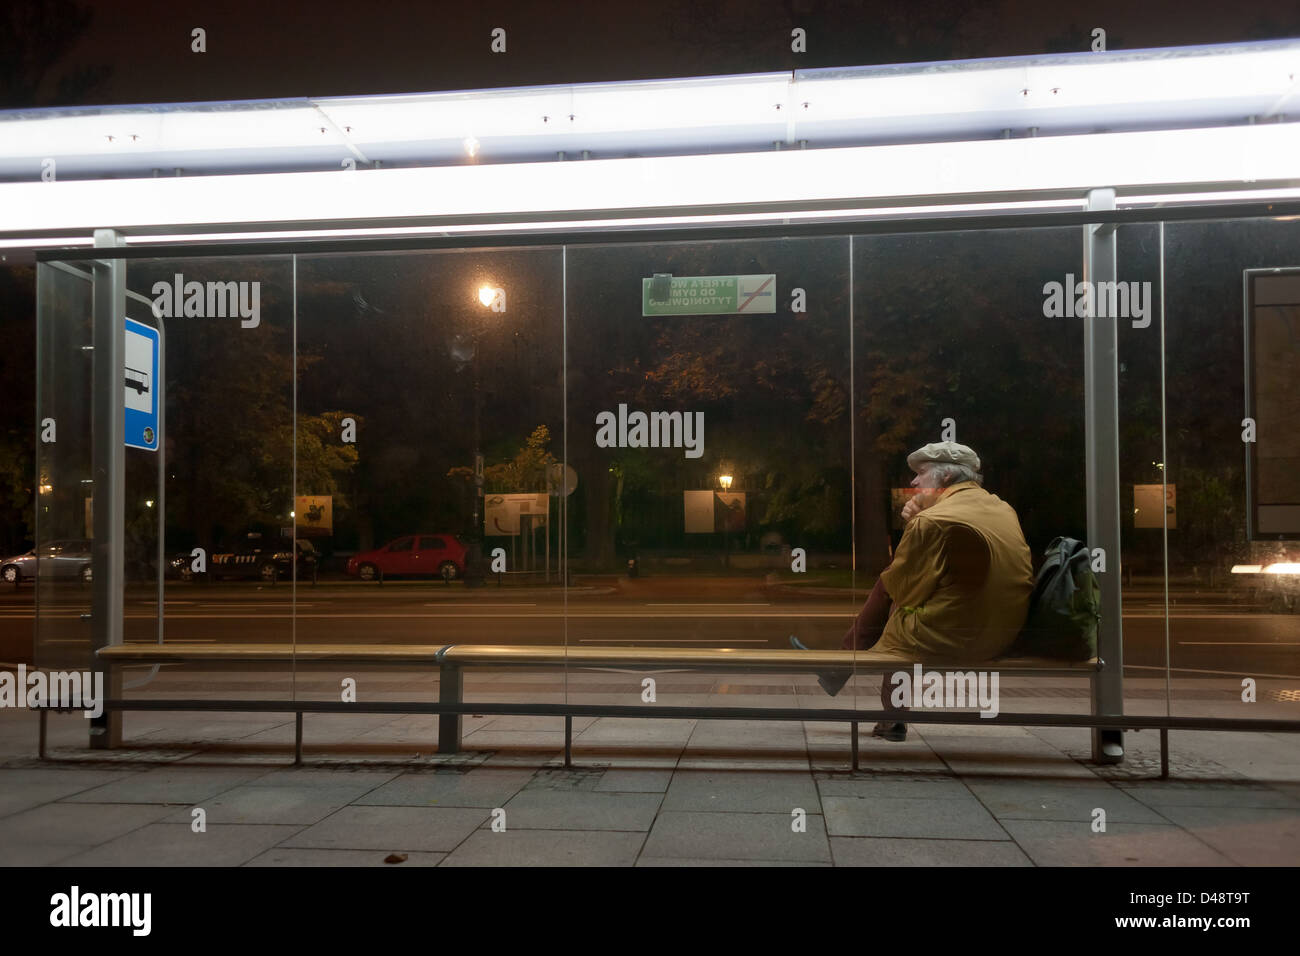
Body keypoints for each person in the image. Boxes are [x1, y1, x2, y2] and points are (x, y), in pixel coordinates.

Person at [791, 441, 1034, 741]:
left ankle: (882, 707)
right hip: (1003, 634)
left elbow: (904, 591)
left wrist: (912, 524)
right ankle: (841, 669)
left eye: (921, 473)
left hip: (954, 639)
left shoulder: (931, 521)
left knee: (896, 606)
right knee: (899, 597)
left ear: (944, 478)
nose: (913, 481)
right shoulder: (1002, 508)